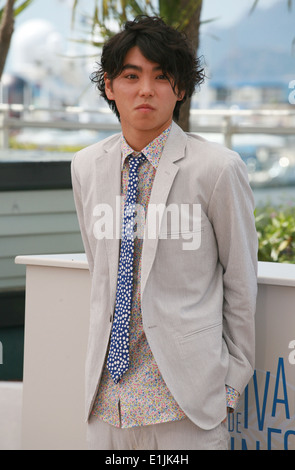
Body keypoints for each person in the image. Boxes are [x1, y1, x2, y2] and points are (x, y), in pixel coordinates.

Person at [71, 15, 258, 451]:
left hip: (186, 403)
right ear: (109, 87)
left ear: (181, 88)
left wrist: (230, 387)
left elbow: (241, 283)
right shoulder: (86, 165)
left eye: (161, 76)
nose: (145, 90)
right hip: (106, 402)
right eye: (131, 76)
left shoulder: (216, 168)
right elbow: (99, 269)